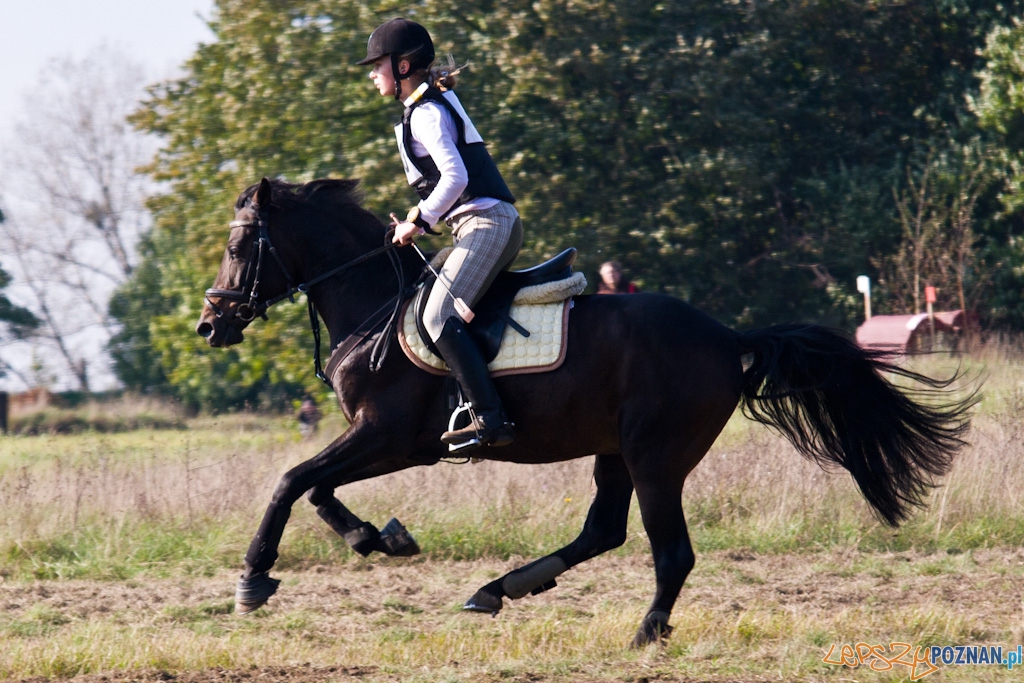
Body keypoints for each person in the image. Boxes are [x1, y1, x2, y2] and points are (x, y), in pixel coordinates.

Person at [359, 18, 522, 452]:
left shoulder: (427, 113)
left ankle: (491, 419)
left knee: (437, 318)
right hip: (476, 223)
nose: (372, 73)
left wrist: (420, 220)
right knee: (420, 297)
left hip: (487, 224)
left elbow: (455, 177)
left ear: (404, 65)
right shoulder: (428, 103)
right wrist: (418, 216)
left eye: (378, 65)